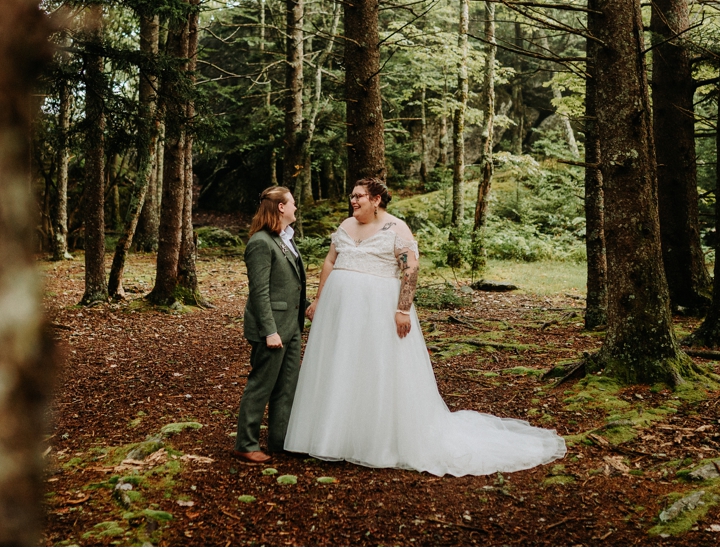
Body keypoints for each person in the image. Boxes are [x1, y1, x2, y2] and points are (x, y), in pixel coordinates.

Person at [283, 177, 567, 476]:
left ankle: (375, 440)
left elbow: (411, 269)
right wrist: (320, 298)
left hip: (378, 310)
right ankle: (332, 434)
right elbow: (330, 261)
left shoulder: (396, 227)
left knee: (376, 367)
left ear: (376, 200)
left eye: (359, 197)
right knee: (340, 365)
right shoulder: (345, 225)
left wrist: (403, 309)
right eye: (352, 196)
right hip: (340, 313)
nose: (353, 201)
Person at [232, 186, 308, 464]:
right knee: (261, 386)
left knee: (287, 386)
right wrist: (270, 331)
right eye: (293, 203)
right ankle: (246, 443)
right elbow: (260, 292)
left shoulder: (285, 238)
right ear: (280, 207)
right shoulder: (260, 243)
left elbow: (290, 283)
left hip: (292, 326)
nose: (296, 207)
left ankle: (281, 440)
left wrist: (308, 305)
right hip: (273, 330)